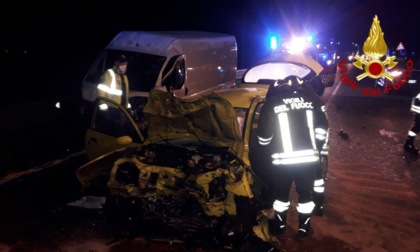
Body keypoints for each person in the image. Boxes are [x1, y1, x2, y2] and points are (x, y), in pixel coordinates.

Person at [255, 75, 329, 241]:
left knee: (280, 197)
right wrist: (315, 147)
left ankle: (279, 227)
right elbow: (322, 129)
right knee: (306, 196)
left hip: (282, 162)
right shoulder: (312, 100)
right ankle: (304, 230)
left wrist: (265, 149)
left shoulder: (273, 102)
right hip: (307, 160)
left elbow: (264, 136)